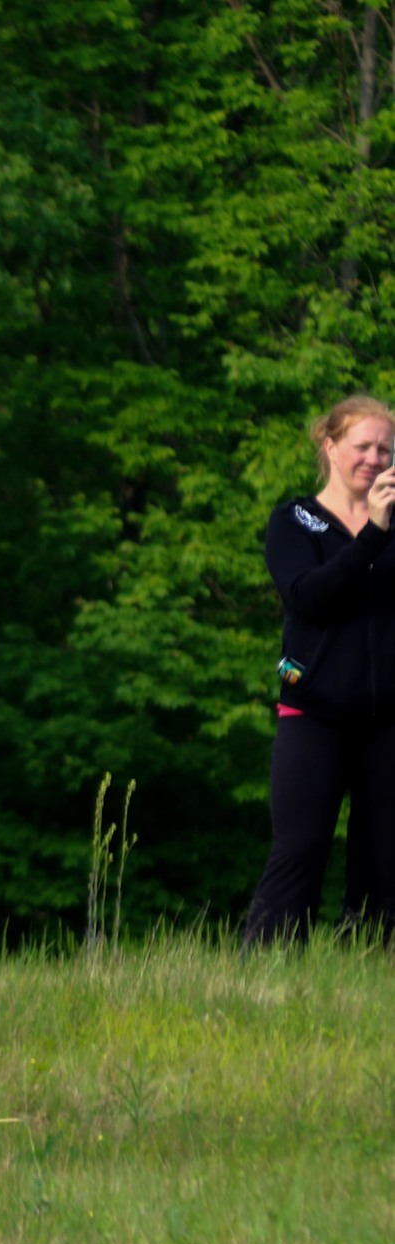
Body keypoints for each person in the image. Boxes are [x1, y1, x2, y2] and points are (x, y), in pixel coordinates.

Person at [242, 396, 395, 945]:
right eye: (363, 446)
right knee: (299, 853)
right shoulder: (295, 520)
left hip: (387, 720)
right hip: (314, 712)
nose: (375, 459)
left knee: (385, 862)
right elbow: (308, 597)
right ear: (329, 447)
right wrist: (373, 535)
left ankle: (371, 976)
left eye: (385, 449)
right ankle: (263, 977)